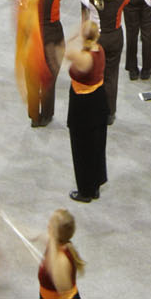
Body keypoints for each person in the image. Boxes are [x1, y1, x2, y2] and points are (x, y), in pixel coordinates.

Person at [65, 20, 110, 203]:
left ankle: (85, 190)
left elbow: (65, 51)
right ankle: (96, 184)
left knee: (81, 146)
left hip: (83, 104)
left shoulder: (83, 57)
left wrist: (75, 35)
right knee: (97, 144)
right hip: (99, 99)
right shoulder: (99, 50)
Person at [36, 209, 82, 299]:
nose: (48, 225)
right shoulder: (55, 243)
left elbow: (63, 288)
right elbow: (39, 236)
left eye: (50, 222)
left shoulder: (62, 259)